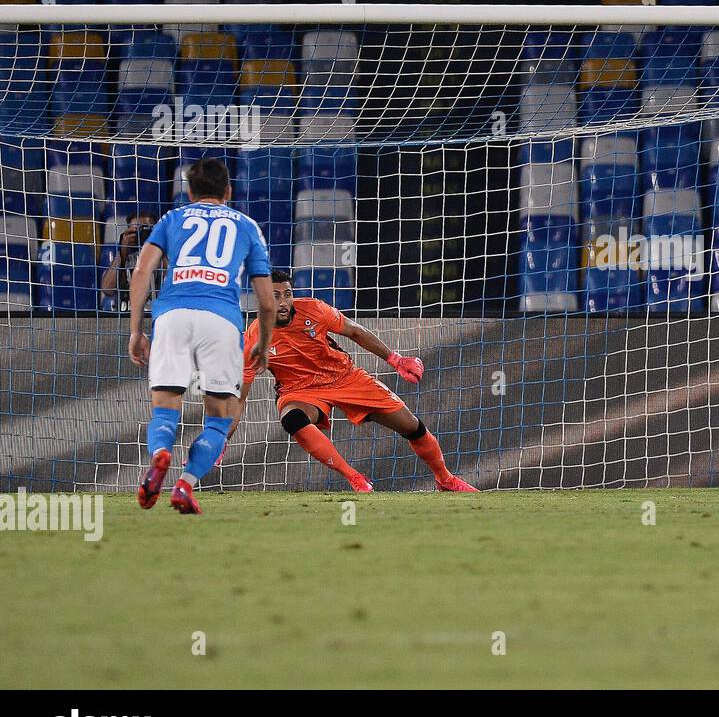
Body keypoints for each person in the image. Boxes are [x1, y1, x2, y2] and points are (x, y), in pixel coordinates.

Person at [228, 270, 476, 493]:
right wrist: (223, 438)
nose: (283, 302)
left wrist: (396, 359)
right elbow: (240, 397)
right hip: (300, 390)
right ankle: (355, 478)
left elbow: (355, 331)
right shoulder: (254, 337)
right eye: (275, 296)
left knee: (411, 426)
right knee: (293, 419)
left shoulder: (315, 310)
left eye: (287, 294)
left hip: (345, 377)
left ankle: (444, 478)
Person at [129, 158, 276, 514]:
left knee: (165, 408)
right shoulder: (247, 225)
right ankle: (185, 484)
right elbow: (268, 303)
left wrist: (136, 330)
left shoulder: (171, 219)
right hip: (221, 320)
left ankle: (161, 453)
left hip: (172, 315)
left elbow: (141, 270)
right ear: (228, 191)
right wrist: (264, 343)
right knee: (221, 416)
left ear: (190, 192)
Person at [100, 211, 159, 312]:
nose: (142, 233)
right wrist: (122, 251)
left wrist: (159, 245)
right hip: (127, 315)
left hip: (157, 313)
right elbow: (107, 289)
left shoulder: (162, 254)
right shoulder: (124, 257)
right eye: (136, 230)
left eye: (146, 229)